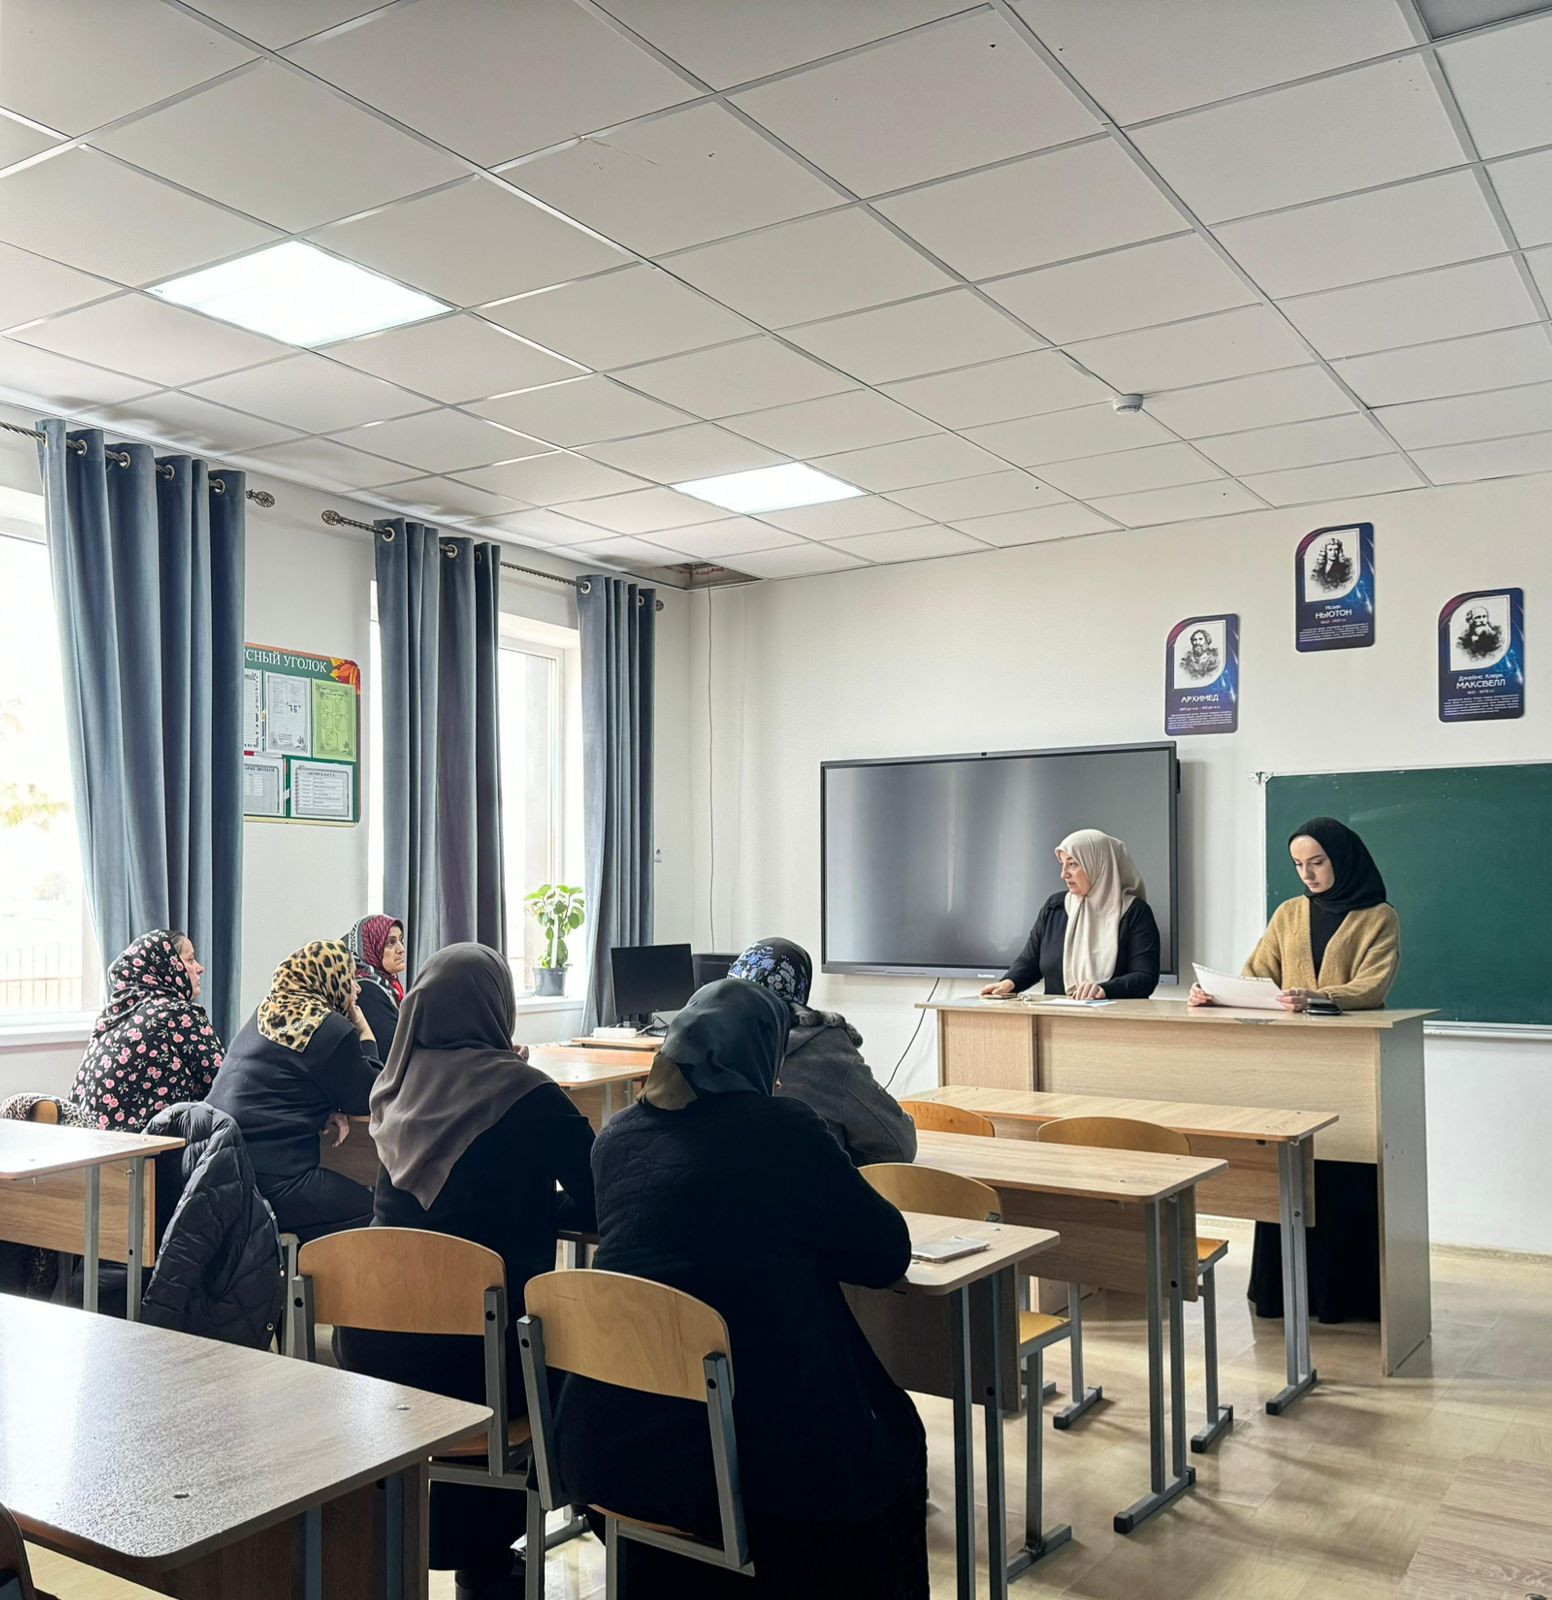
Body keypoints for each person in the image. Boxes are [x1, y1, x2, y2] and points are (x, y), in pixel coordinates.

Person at [553, 980, 926, 1599]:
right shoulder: (784, 1131)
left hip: (611, 1450)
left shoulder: (615, 1139)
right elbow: (887, 1251)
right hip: (749, 1464)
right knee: (893, 1436)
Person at [336, 944, 595, 1600]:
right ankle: (496, 1556)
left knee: (465, 1325)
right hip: (484, 1366)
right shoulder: (525, 1092)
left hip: (374, 1356)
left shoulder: (392, 1088)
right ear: (495, 1006)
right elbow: (601, 1194)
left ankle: (426, 1545)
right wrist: (541, 1207)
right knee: (573, 1354)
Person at [1189, 818, 1400, 1322]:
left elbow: (1373, 986)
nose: (1308, 873)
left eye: (1317, 862)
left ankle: (1342, 1300)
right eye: (1299, 865)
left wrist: (1317, 997)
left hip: (1346, 1069)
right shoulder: (1288, 913)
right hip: (1290, 1065)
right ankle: (1280, 1293)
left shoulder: (1379, 917)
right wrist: (1215, 995)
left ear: (1342, 859)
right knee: (1289, 1170)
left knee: (1341, 1170)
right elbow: (1257, 976)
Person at [207, 940, 381, 1243]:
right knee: (377, 1213)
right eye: (351, 977)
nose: (357, 988)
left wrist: (323, 1109)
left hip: (222, 1172)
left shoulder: (264, 1013)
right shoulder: (329, 1027)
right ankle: (310, 1273)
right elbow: (370, 1096)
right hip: (276, 1181)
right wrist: (366, 1033)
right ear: (331, 980)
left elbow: (283, 1082)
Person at [727, 937, 916, 1166]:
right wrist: (840, 1157)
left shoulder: (700, 1048)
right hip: (805, 1187)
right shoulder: (826, 1050)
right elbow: (898, 1146)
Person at [980, 829, 1161, 1001]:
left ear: (1098, 865)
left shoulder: (1135, 912)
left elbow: (1145, 977)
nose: (1063, 874)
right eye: (1063, 864)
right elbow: (1030, 961)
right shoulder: (1055, 907)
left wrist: (1104, 990)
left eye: (1073, 864)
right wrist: (1009, 982)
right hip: (1055, 1017)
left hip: (1112, 1018)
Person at [72, 929, 224, 1131]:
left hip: (92, 1142)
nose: (200, 968)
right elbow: (223, 1082)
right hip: (147, 1145)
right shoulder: (177, 1013)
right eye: (190, 959)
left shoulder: (110, 1017)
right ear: (169, 966)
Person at [344, 913, 406, 1057]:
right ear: (370, 947)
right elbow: (390, 1051)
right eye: (390, 942)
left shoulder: (387, 986)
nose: (401, 949)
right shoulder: (367, 990)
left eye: (400, 940)